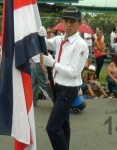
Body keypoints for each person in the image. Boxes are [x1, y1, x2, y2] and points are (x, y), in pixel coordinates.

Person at [38, 6, 89, 150]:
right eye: (66, 20)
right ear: (62, 21)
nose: (68, 24)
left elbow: (73, 72)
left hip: (69, 89)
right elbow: (47, 43)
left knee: (52, 128)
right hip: (57, 86)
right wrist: (41, 36)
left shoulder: (81, 45)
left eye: (73, 21)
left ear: (79, 23)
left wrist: (53, 63)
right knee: (63, 125)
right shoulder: (61, 39)